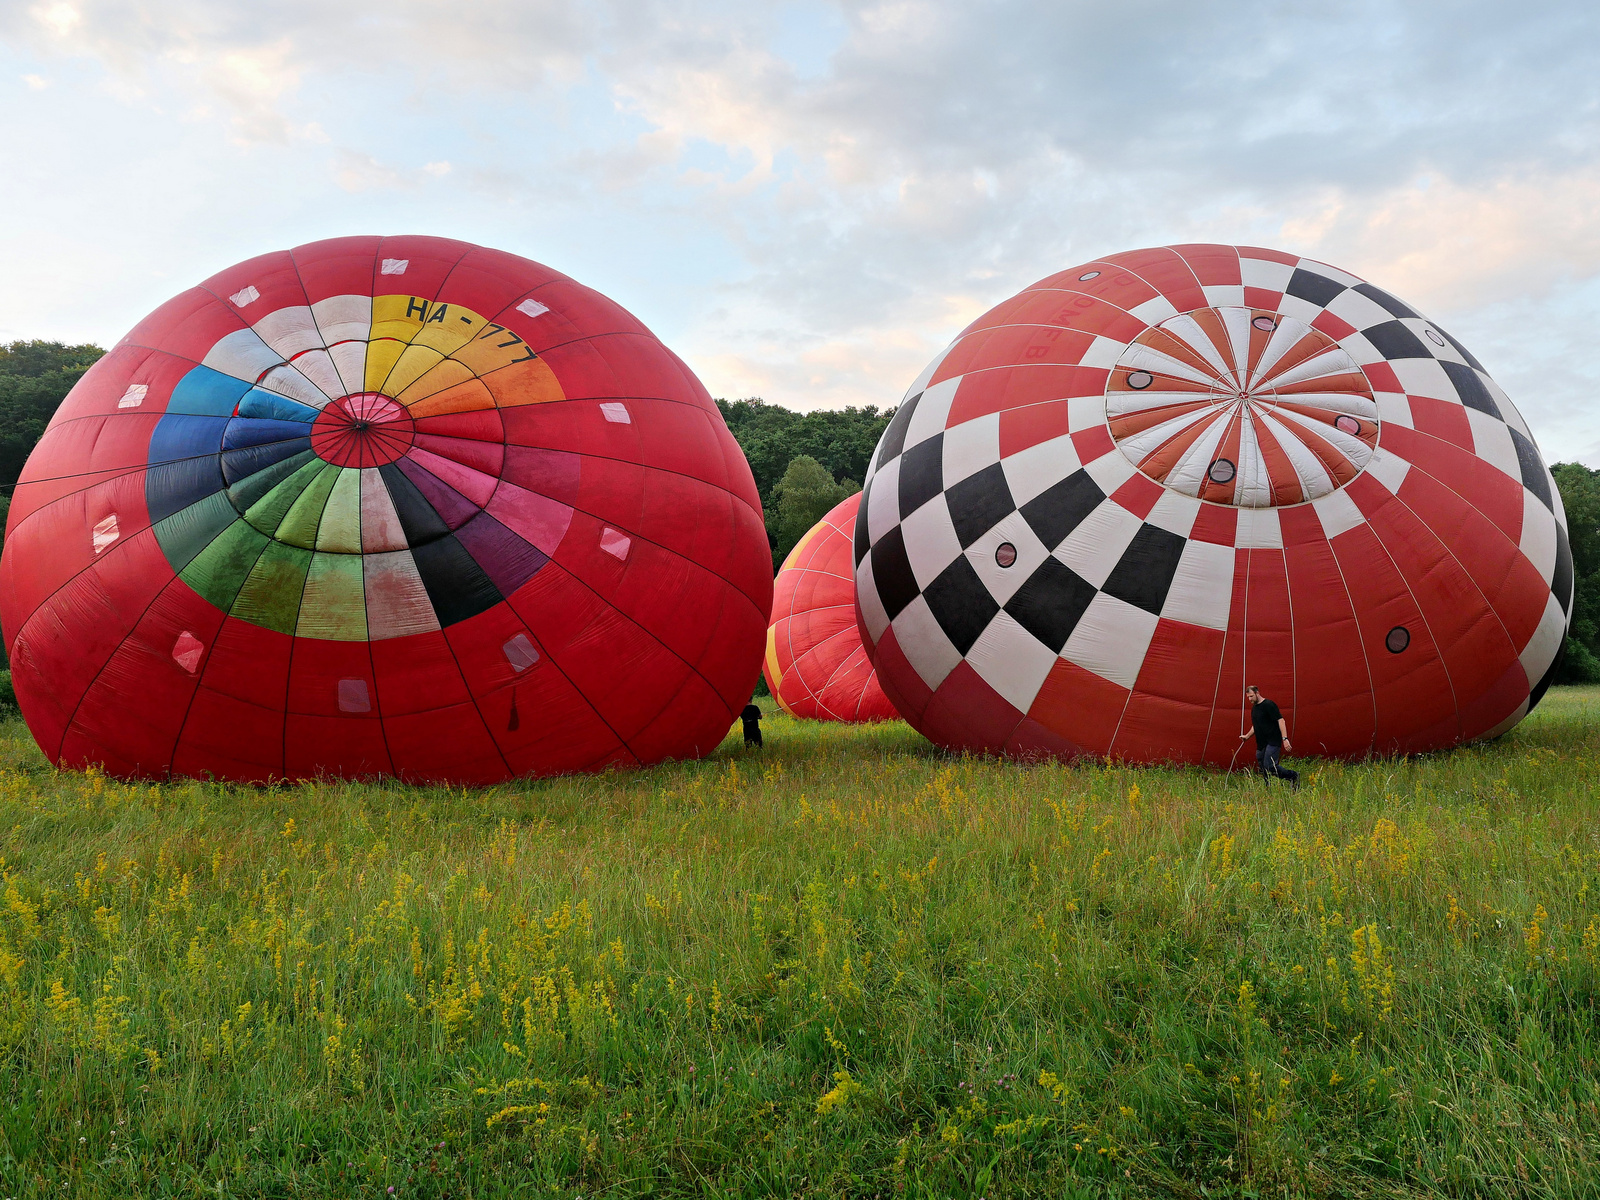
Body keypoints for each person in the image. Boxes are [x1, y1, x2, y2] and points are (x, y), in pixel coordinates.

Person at [1240, 684, 1298, 787]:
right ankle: (1269, 787)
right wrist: (1247, 736)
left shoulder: (1269, 705)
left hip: (1273, 741)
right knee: (1263, 767)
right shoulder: (1254, 709)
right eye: (1248, 697)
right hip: (1261, 743)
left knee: (1270, 766)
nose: (1249, 699)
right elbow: (1256, 725)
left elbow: (1281, 720)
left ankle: (1293, 776)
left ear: (1257, 693)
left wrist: (1285, 739)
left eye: (1251, 696)